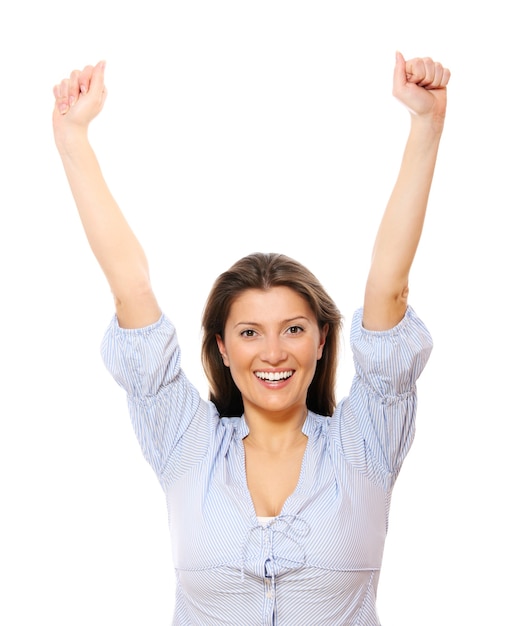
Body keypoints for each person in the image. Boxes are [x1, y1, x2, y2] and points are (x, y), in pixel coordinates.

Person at [52, 52, 450, 625]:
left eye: (293, 329)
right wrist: (73, 139)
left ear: (321, 340)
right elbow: (131, 291)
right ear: (221, 348)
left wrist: (426, 124)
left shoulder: (366, 444)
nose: (272, 352)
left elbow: (389, 289)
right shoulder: (187, 445)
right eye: (248, 332)